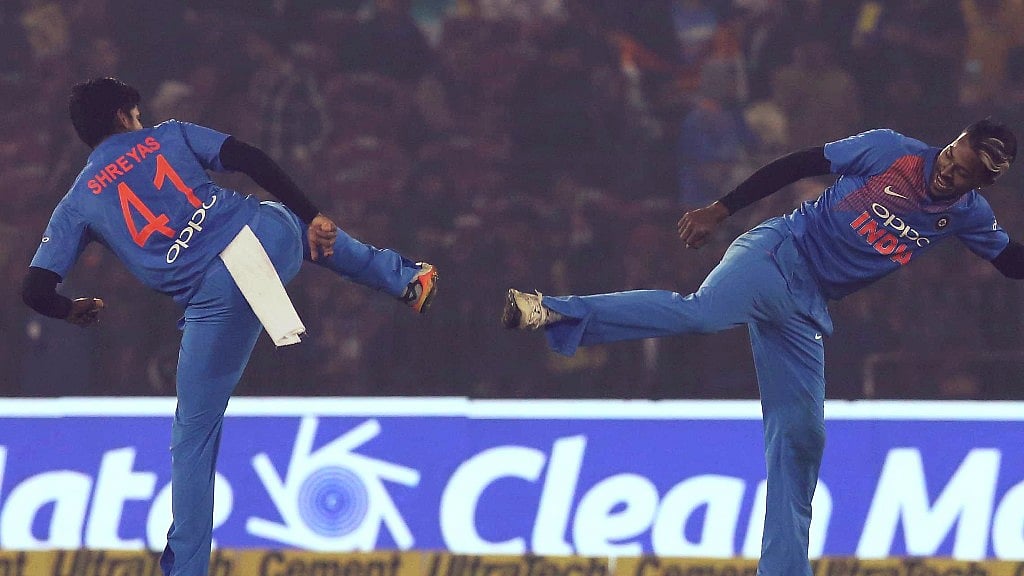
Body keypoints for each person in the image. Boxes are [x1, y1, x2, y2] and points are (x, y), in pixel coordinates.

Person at [501, 119, 1021, 575]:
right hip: (775, 252)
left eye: (963, 173)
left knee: (801, 436)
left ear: (983, 183)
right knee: (700, 313)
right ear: (952, 140)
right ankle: (554, 310)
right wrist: (719, 209)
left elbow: (1008, 261)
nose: (947, 170)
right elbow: (797, 165)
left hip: (806, 304)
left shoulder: (969, 215)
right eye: (952, 154)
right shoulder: (890, 151)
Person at [20, 77, 438, 576]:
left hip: (214, 298)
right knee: (289, 225)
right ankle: (405, 279)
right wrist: (313, 214)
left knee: (192, 437)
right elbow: (251, 159)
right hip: (263, 235)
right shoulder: (169, 135)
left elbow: (34, 291)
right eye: (136, 113)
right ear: (123, 115)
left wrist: (71, 310)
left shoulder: (76, 202)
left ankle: (186, 569)